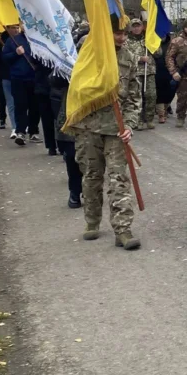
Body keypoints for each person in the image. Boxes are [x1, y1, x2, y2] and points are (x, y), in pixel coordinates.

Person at [72, 18, 141, 248]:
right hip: (88, 127)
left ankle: (123, 229)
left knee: (118, 178)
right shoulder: (89, 50)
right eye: (116, 33)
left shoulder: (128, 57)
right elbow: (77, 85)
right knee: (92, 176)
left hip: (116, 128)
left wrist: (129, 125)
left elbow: (133, 94)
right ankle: (92, 221)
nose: (121, 37)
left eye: (124, 33)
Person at [1, 23, 41, 145]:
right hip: (18, 78)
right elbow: (5, 58)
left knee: (35, 106)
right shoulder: (13, 40)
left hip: (35, 78)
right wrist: (16, 53)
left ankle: (33, 131)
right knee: (20, 105)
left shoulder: (37, 40)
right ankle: (20, 132)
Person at [50, 67, 83, 209]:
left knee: (95, 157)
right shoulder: (69, 53)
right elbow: (53, 80)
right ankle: (75, 191)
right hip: (71, 114)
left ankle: (90, 191)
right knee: (71, 155)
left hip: (98, 115)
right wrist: (66, 70)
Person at [126, 18, 157, 129]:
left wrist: (152, 46)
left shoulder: (147, 39)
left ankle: (149, 119)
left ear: (142, 27)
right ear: (130, 28)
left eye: (138, 26)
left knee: (151, 95)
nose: (136, 28)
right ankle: (137, 120)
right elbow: (125, 56)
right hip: (135, 72)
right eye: (134, 26)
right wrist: (139, 58)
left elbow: (159, 53)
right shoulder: (126, 41)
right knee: (136, 96)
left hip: (149, 71)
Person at [0, 30, 15, 134]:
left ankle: (5, 120)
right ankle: (3, 119)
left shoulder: (2, 43)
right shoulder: (0, 44)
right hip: (4, 75)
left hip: (6, 75)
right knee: (5, 99)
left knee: (6, 100)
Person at [33, 59, 58, 155]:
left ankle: (62, 145)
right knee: (47, 118)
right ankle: (52, 146)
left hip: (57, 86)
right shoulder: (38, 48)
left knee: (59, 118)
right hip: (43, 87)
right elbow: (33, 60)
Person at [153, 32, 175, 123]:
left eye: (163, 34)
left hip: (170, 71)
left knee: (170, 91)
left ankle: (166, 108)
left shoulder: (172, 44)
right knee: (159, 93)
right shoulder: (153, 44)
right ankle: (161, 114)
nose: (162, 36)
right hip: (156, 71)